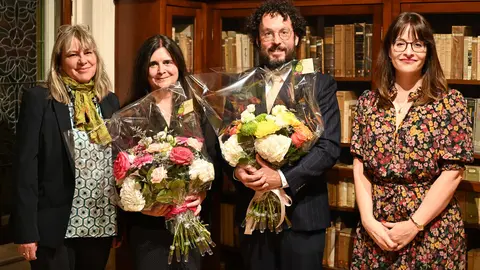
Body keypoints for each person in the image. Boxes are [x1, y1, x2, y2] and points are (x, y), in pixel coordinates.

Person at [350, 12, 473, 269]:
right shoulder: (368, 103)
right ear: (389, 50)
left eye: (418, 44)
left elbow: (453, 173)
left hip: (431, 232)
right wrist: (368, 220)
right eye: (401, 43)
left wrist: (414, 225)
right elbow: (360, 165)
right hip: (376, 232)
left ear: (428, 51)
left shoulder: (450, 103)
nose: (409, 51)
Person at [230, 1, 341, 269]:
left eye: (284, 33)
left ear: (297, 37)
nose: (276, 41)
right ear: (257, 39)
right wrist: (238, 171)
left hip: (303, 218)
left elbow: (328, 148)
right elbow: (226, 142)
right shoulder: (241, 86)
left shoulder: (319, 84)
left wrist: (280, 178)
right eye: (268, 33)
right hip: (253, 218)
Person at [11, 24, 120, 270]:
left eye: (88, 53)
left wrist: (119, 223)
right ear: (60, 62)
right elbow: (26, 168)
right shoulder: (41, 99)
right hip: (55, 227)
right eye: (73, 54)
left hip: (100, 222)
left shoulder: (109, 101)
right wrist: (26, 230)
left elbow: (117, 163)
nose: (83, 60)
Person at [123, 34, 221, 270]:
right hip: (149, 228)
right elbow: (122, 170)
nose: (161, 70)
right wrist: (144, 204)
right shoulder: (129, 115)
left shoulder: (198, 109)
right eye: (153, 64)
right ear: (144, 70)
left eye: (168, 62)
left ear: (178, 65)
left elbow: (214, 160)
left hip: (190, 221)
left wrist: (202, 195)